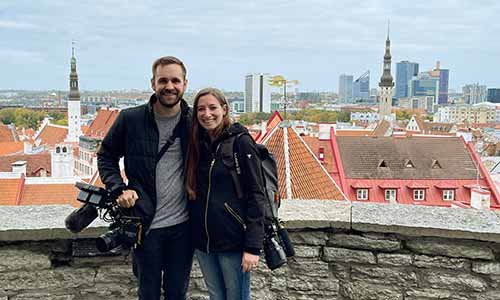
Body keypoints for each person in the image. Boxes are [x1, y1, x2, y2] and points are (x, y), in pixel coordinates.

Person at [97, 56, 193, 300]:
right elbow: (106, 156)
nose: (169, 86)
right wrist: (119, 189)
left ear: (185, 84)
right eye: (163, 80)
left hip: (183, 227)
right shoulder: (131, 119)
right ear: (153, 84)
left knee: (177, 293)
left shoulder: (193, 121)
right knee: (147, 293)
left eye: (175, 80)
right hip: (145, 225)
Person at [185, 87, 266, 300]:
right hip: (204, 241)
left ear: (224, 109)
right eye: (201, 109)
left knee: (236, 296)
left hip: (233, 240)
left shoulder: (240, 141)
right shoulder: (198, 144)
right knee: (216, 296)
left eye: (212, 108)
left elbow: (257, 194)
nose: (206, 114)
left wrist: (253, 247)